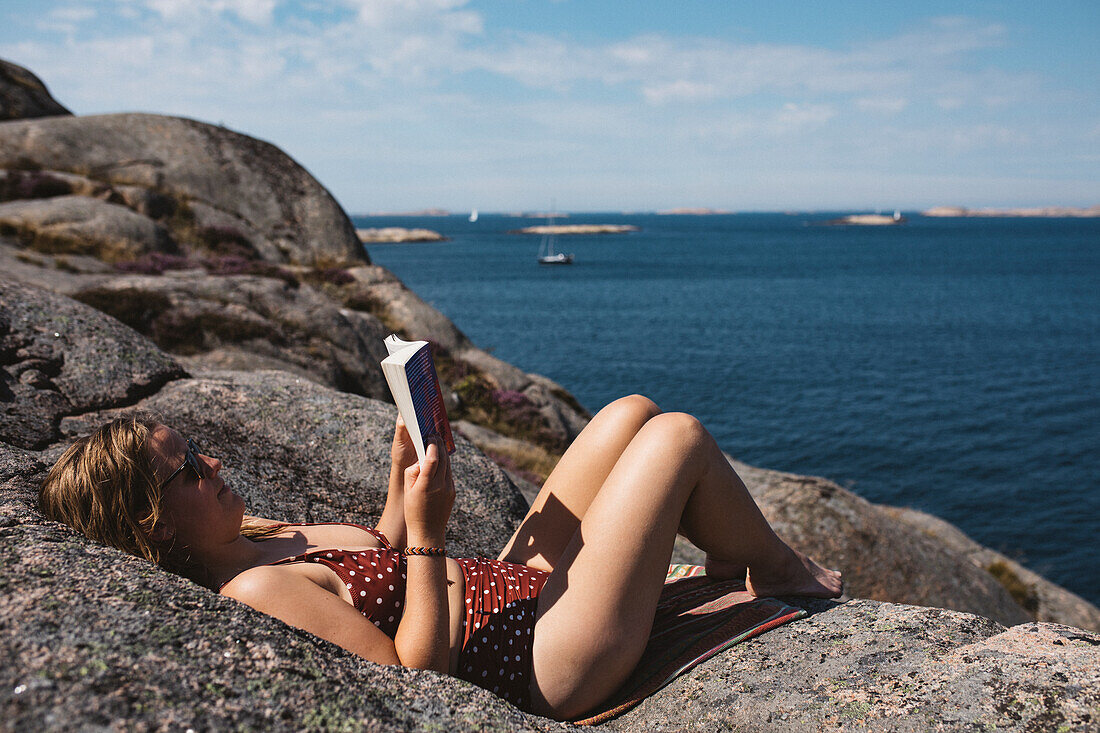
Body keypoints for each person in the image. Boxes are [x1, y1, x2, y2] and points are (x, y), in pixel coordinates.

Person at [39, 395, 841, 720]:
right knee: (676, 438)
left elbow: (376, 557)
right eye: (187, 472)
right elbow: (412, 681)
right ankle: (776, 569)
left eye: (199, 451)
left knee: (628, 413)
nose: (212, 465)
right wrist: (428, 532)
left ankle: (740, 557)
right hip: (539, 656)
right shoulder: (252, 587)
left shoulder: (260, 536)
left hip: (513, 589)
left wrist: (403, 479)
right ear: (156, 530)